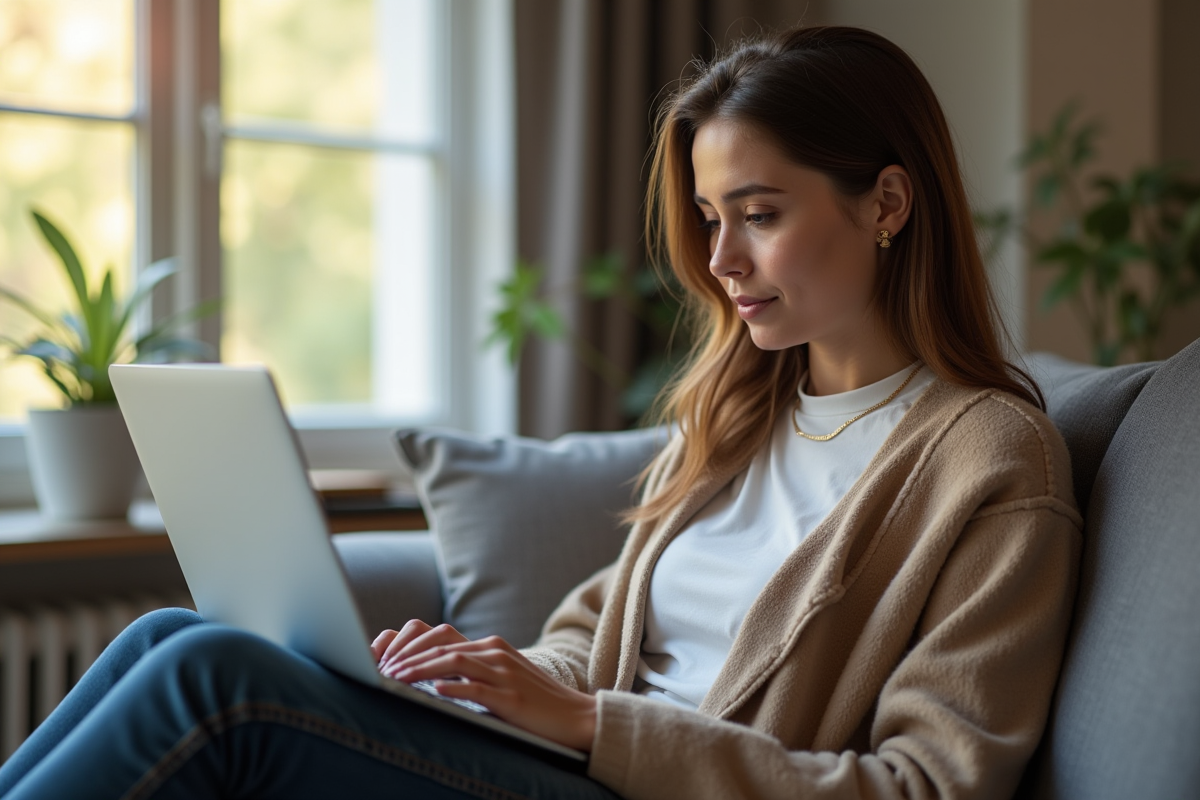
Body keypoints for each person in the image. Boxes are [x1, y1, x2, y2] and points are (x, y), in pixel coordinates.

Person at [0, 25, 1081, 800]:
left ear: (887, 203)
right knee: (170, 631)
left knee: (211, 679)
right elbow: (587, 632)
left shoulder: (991, 461)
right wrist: (484, 682)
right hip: (564, 757)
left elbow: (929, 783)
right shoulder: (747, 410)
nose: (720, 260)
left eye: (760, 213)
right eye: (710, 217)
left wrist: (589, 723)